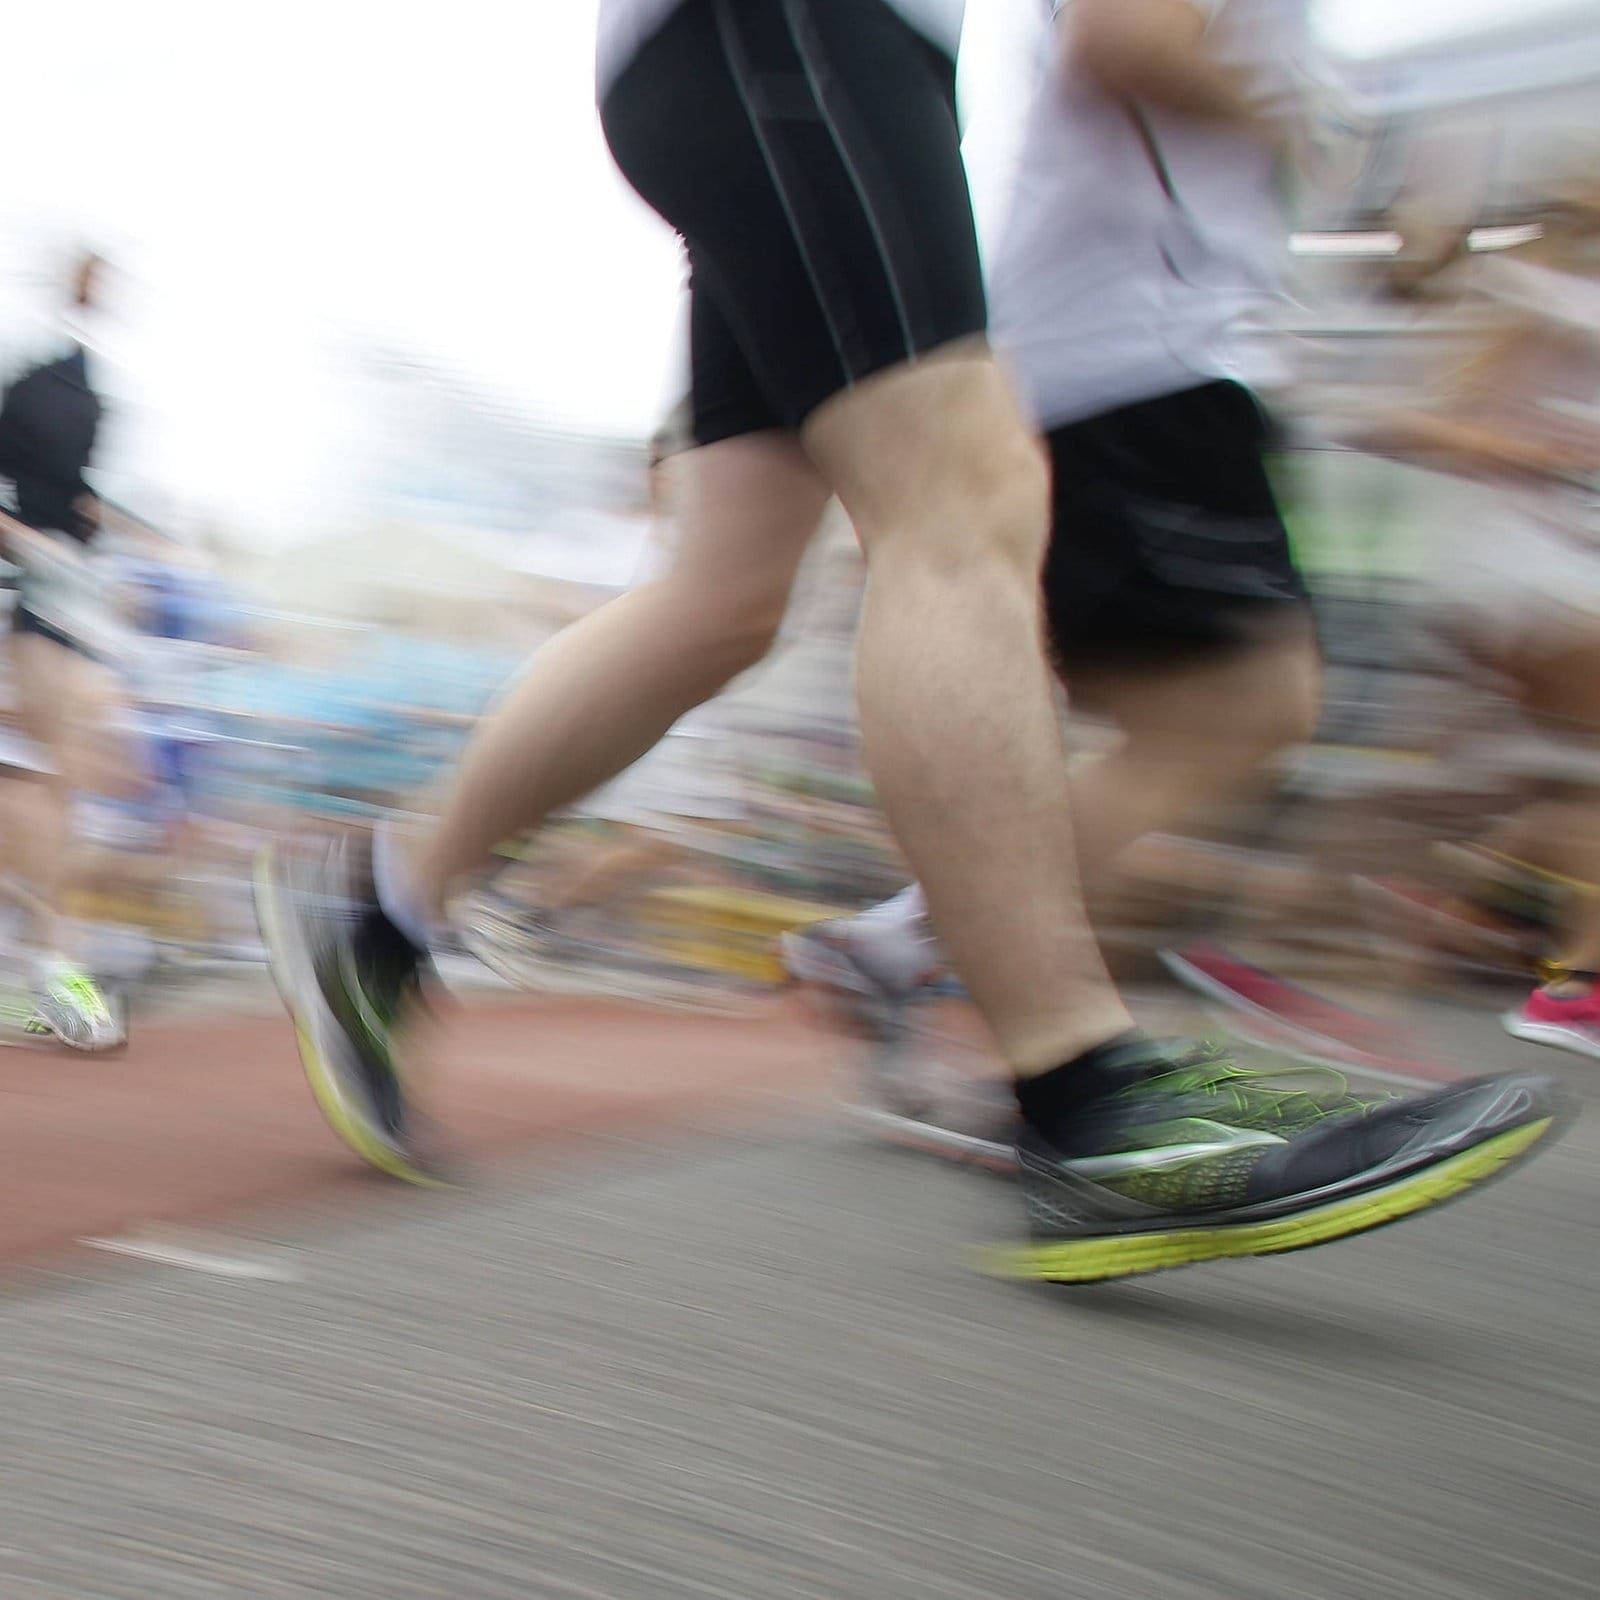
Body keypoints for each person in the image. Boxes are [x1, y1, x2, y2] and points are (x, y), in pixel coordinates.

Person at [256, 0, 1566, 1284]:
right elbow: (1128, 35)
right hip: (798, 36)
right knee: (957, 491)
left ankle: (383, 901)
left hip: (763, 56)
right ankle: (1084, 1092)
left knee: (724, 593)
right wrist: (1338, 139)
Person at [0, 251, 124, 1048]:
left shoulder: (78, 389)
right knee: (43, 784)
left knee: (56, 784)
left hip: (56, 598)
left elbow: (75, 497)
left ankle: (50, 964)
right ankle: (49, 967)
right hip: (36, 595)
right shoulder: (36, 383)